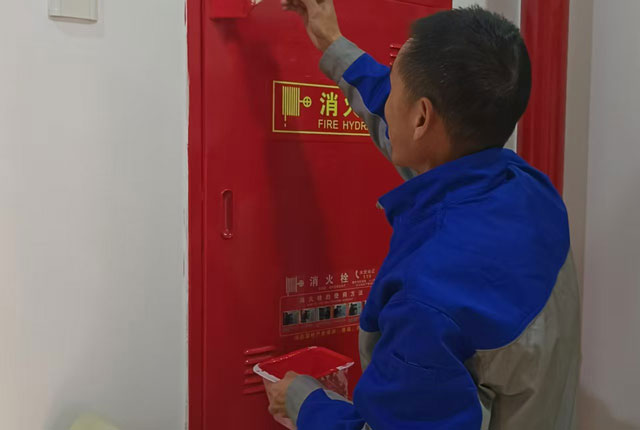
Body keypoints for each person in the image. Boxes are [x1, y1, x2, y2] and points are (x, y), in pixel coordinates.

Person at [266, 1, 581, 429]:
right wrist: (332, 42)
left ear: (421, 117)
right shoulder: (531, 193)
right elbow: (399, 121)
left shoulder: (428, 297)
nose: (388, 98)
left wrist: (304, 402)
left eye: (397, 86)